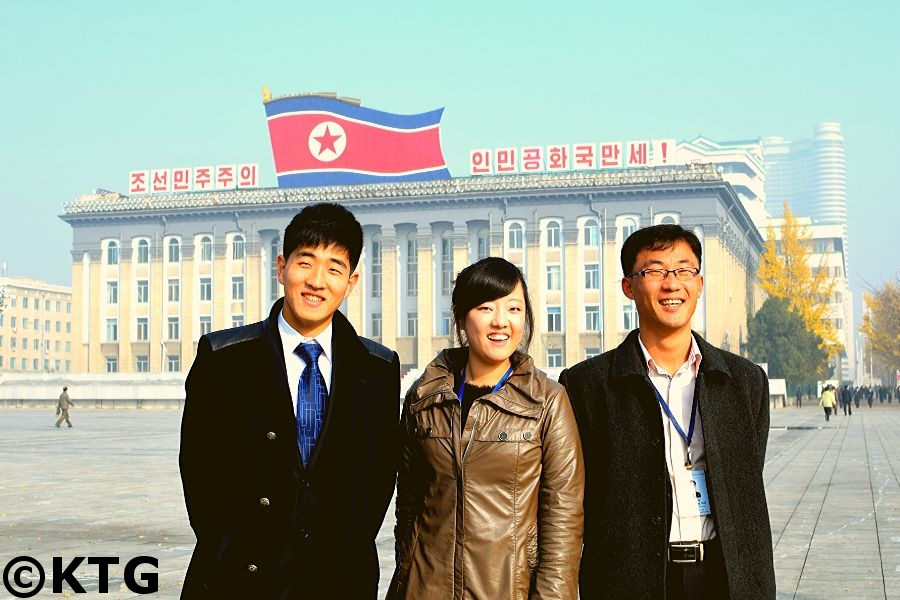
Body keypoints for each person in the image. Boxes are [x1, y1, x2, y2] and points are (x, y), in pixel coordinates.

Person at [179, 203, 400, 599]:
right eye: (305, 262)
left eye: (334, 268)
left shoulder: (378, 369)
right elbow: (199, 471)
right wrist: (230, 547)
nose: (317, 281)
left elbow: (379, 478)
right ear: (282, 267)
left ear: (350, 283)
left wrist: (347, 550)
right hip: (240, 578)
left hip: (337, 581)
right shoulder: (225, 357)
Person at [559, 224, 775, 600]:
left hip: (726, 579)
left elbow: (745, 487)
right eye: (655, 270)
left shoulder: (744, 382)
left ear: (700, 282)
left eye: (684, 270)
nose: (672, 283)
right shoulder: (587, 387)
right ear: (629, 286)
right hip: (630, 581)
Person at [388, 257, 584, 599]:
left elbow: (563, 525)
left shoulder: (548, 402)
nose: (500, 322)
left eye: (513, 309)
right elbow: (409, 503)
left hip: (508, 590)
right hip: (425, 588)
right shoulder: (424, 397)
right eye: (485, 308)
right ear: (462, 318)